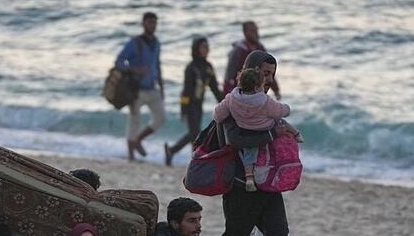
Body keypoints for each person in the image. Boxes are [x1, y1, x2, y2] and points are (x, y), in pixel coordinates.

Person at [206, 50, 290, 236]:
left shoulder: (265, 105)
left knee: (278, 235)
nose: (269, 79)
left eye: (272, 74)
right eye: (265, 73)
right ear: (252, 72)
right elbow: (234, 139)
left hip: (268, 184)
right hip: (240, 186)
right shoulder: (234, 104)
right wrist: (272, 134)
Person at [214, 65, 294, 191]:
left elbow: (217, 115)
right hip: (263, 131)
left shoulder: (231, 99)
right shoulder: (264, 101)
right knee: (280, 122)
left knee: (250, 152)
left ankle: (250, 177)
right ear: (257, 88)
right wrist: (287, 109)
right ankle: (296, 134)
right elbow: (281, 111)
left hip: (244, 133)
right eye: (262, 85)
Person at [164, 37, 223, 166]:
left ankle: (175, 152)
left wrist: (225, 102)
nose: (207, 49)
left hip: (199, 105)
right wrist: (184, 110)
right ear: (197, 49)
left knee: (194, 134)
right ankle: (191, 159)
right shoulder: (191, 68)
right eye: (203, 47)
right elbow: (186, 91)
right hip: (190, 105)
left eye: (207, 46)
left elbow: (214, 88)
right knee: (195, 133)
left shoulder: (208, 67)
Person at [115, 11, 165, 161]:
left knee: (161, 117)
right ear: (143, 24)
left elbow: (158, 65)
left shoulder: (156, 43)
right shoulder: (134, 42)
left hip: (152, 88)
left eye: (155, 22)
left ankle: (138, 139)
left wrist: (162, 87)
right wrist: (135, 69)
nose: (153, 25)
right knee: (134, 120)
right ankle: (130, 156)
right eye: (150, 22)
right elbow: (119, 62)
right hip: (136, 89)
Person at [223, 21, 280, 99]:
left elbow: (268, 70)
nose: (256, 34)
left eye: (256, 30)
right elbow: (228, 77)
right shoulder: (238, 51)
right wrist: (227, 97)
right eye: (253, 31)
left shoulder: (260, 48)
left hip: (258, 92)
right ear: (245, 33)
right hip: (241, 94)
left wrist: (276, 90)